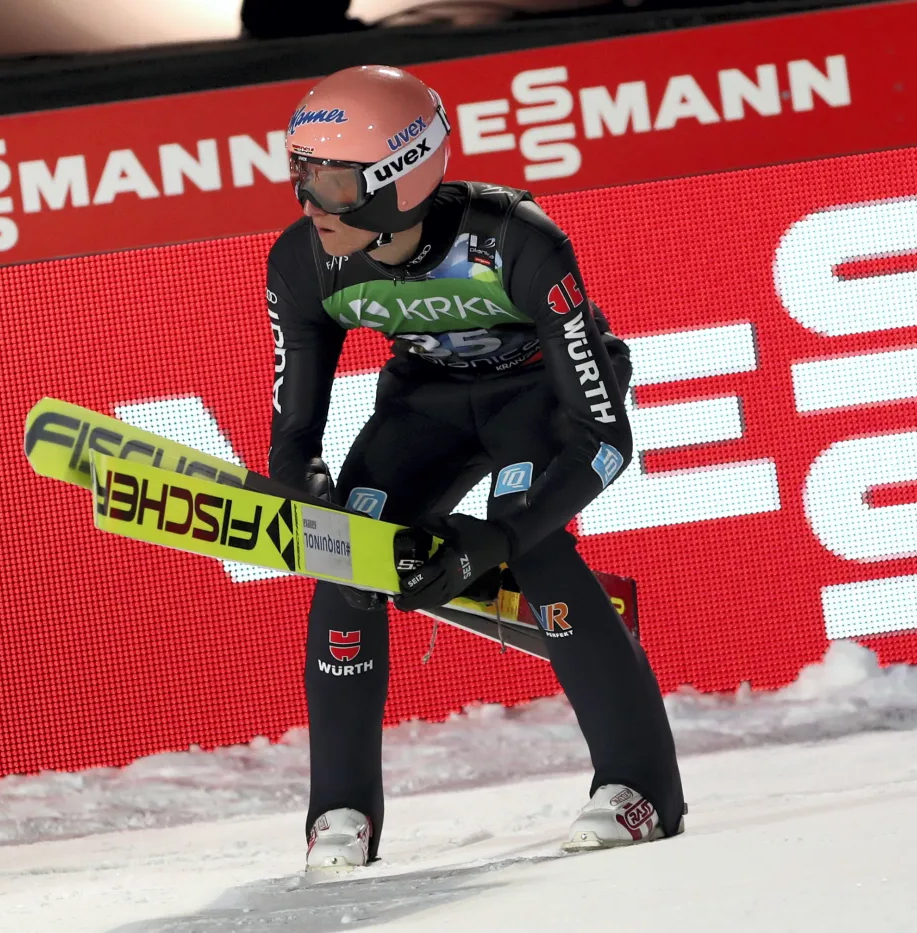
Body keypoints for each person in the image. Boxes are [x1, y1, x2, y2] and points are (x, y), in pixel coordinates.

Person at [266, 64, 685, 870]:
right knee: (344, 562)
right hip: (425, 403)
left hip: (542, 399)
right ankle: (340, 810)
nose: (311, 204)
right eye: (303, 175)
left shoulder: (519, 241)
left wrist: (491, 538)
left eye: (335, 182)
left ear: (399, 178)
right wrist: (304, 488)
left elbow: (604, 439)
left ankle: (642, 790)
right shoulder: (303, 262)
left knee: (536, 548)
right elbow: (296, 432)